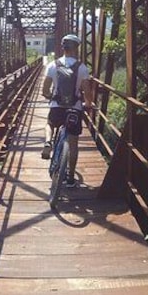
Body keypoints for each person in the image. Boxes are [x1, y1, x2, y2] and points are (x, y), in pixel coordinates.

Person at [41, 33, 93, 187]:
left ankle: (48, 141)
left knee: (50, 123)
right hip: (74, 109)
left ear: (63, 48)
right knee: (73, 144)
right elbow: (87, 91)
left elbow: (44, 89)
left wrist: (50, 96)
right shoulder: (82, 68)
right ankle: (70, 178)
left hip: (57, 107)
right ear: (76, 48)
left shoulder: (52, 65)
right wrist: (88, 104)